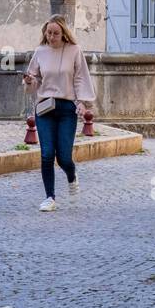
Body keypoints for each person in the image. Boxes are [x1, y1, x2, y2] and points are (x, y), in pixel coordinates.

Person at [22, 16, 96, 212]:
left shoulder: (74, 51)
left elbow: (80, 78)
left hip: (66, 109)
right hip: (45, 108)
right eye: (49, 33)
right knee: (47, 154)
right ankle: (49, 197)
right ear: (45, 33)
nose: (52, 37)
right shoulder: (40, 52)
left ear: (63, 33)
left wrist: (81, 102)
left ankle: (72, 176)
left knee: (63, 157)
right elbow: (34, 80)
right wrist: (29, 81)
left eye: (55, 33)